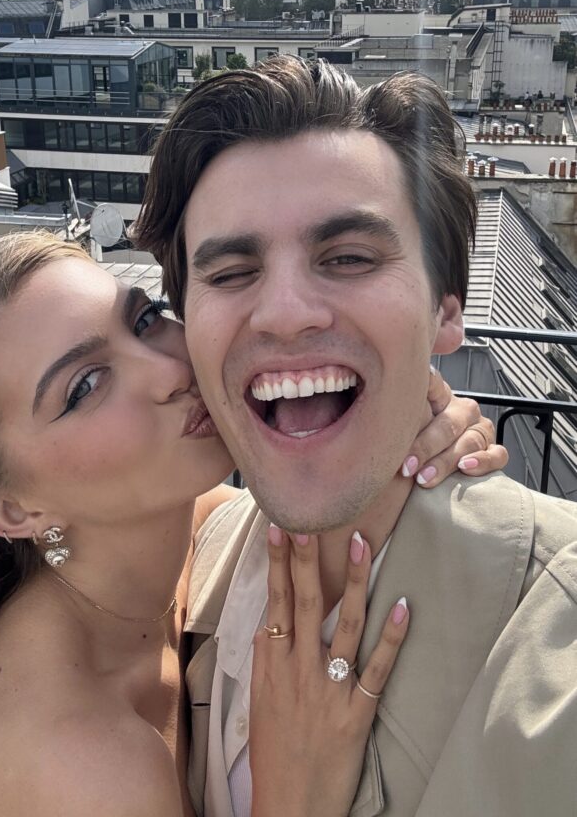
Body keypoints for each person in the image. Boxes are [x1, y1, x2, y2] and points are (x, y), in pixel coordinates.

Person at [0, 233, 502, 817]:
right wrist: (293, 794)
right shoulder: (76, 765)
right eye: (85, 386)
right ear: (14, 511)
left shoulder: (176, 535)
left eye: (144, 319)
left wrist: (415, 427)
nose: (172, 370)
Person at [132, 56, 577, 817]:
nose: (284, 313)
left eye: (348, 258)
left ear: (446, 311)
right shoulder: (190, 569)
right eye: (231, 272)